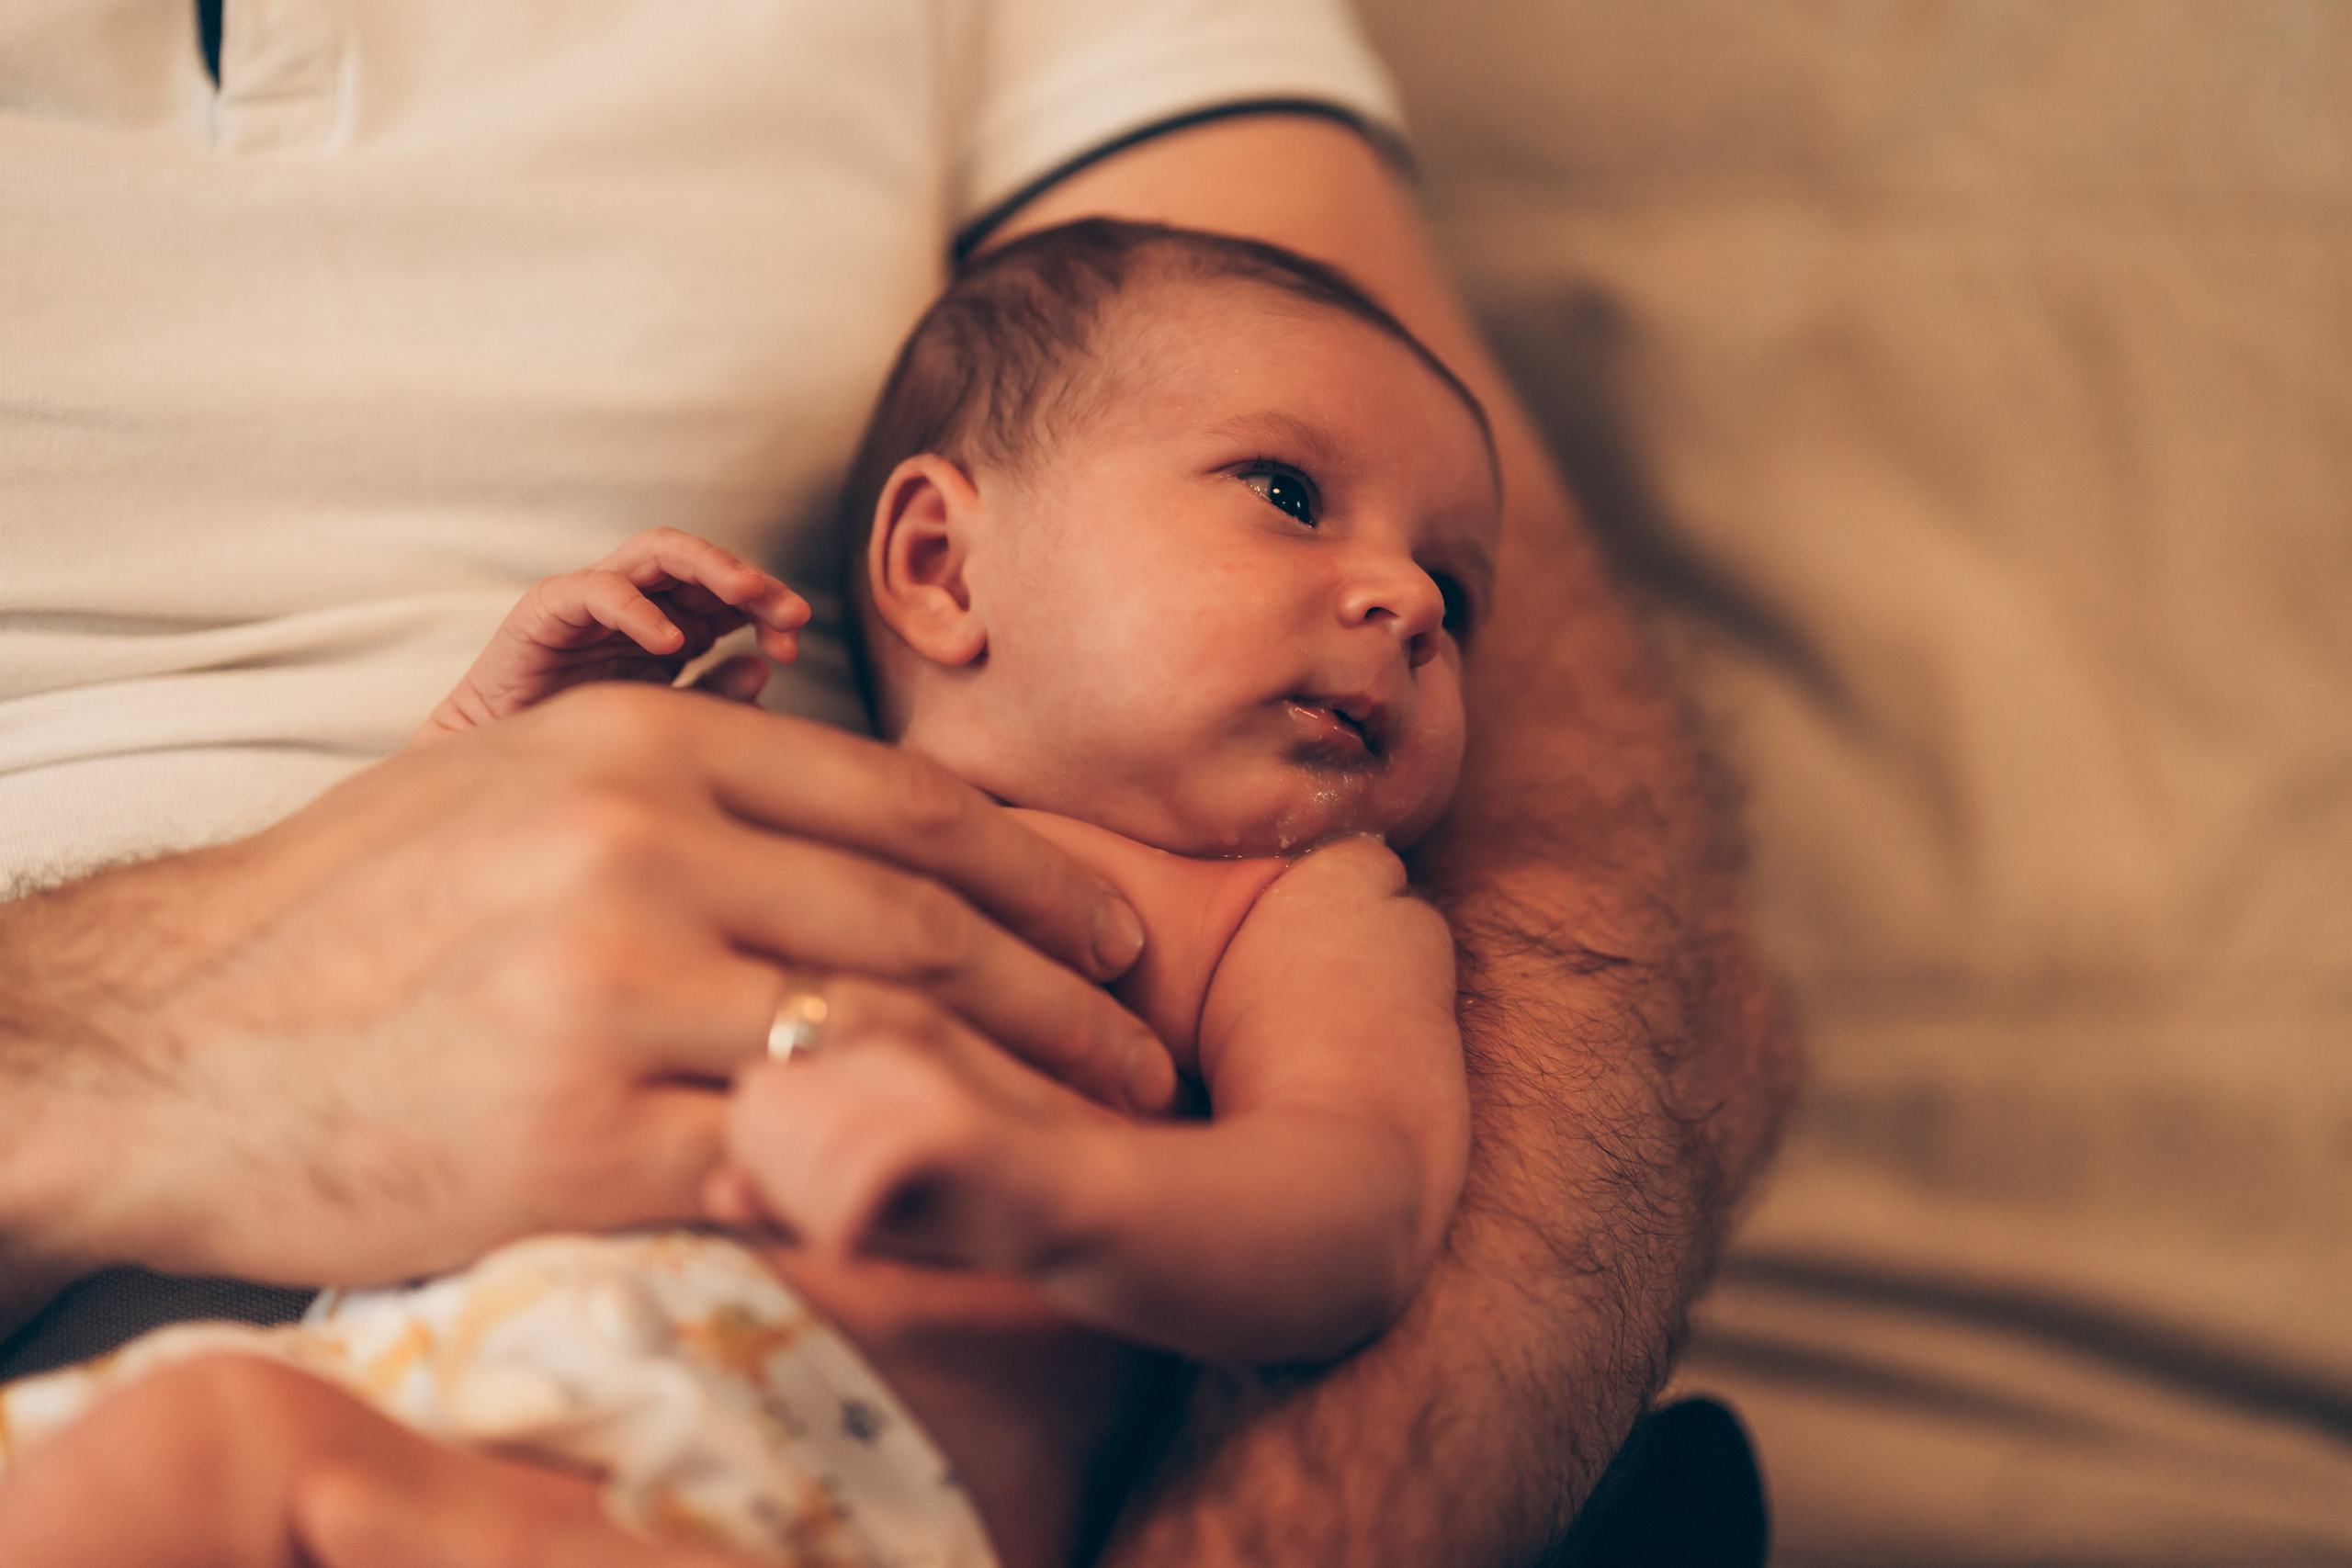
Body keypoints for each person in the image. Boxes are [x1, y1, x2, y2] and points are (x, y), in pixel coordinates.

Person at [0, 4, 1792, 1562]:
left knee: (211, 1452)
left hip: (768, 1487)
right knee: (182, 1449)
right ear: (939, 563)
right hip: (424, 1379)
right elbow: (391, 934)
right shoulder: (785, 768)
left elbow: (1356, 1211)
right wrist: (476, 758)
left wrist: (1048, 1194)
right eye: (1288, 494)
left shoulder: (1287, 905)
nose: (1403, 602)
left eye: (1452, 598)